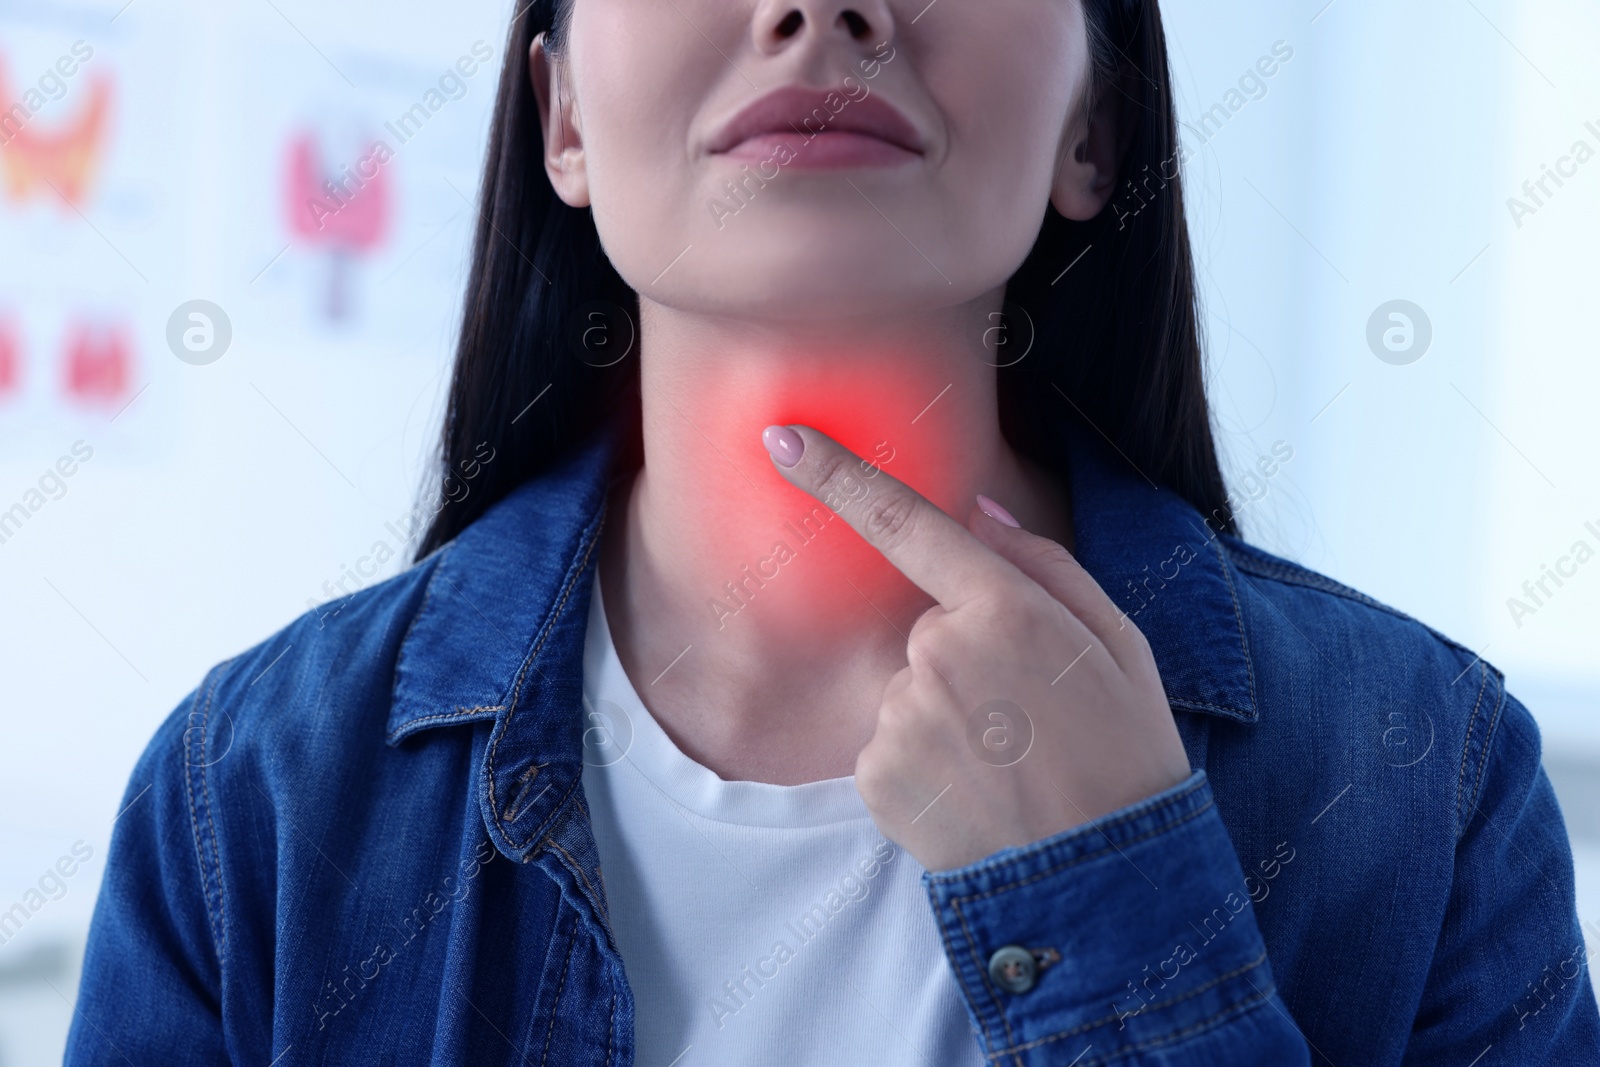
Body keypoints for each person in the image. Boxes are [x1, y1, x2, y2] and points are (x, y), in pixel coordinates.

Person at [67, 0, 1600, 1064]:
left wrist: (1113, 907)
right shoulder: (249, 801)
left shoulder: (1424, 778)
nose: (823, 12)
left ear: (1097, 130)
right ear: (564, 120)